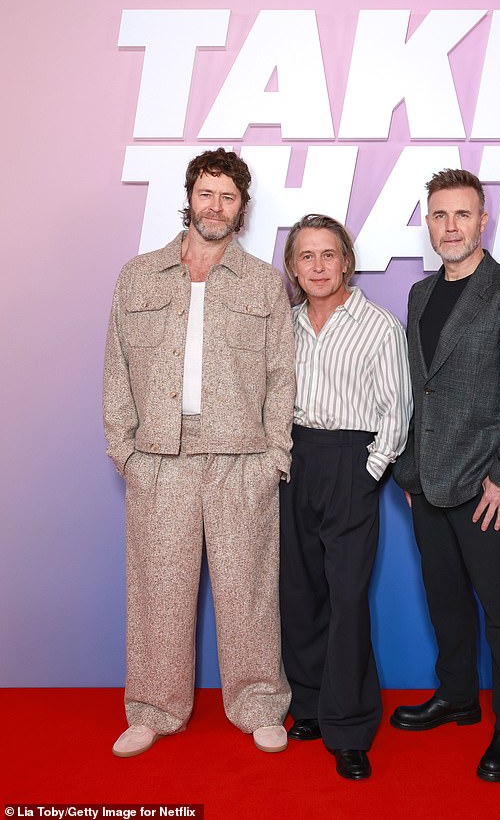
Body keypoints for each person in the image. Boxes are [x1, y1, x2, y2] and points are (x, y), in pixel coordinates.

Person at [103, 148, 295, 757]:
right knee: (158, 593)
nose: (215, 207)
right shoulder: (139, 275)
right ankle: (153, 710)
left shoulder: (263, 282)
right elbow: (116, 369)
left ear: (242, 208)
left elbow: (281, 376)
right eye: (206, 194)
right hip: (160, 456)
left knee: (248, 592)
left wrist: (275, 456)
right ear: (189, 198)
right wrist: (125, 453)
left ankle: (259, 704)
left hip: (242, 459)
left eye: (228, 197)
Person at [391, 168, 500, 782]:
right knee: (445, 600)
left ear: (483, 221)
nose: (450, 226)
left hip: (487, 488)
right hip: (427, 482)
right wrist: (410, 473)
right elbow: (418, 390)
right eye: (439, 215)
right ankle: (457, 697)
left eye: (462, 214)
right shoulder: (420, 295)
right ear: (429, 224)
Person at [280, 214, 412, 780]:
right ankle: (310, 705)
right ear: (293, 268)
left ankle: (351, 728)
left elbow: (397, 407)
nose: (318, 266)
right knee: (299, 592)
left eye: (328, 255)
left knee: (348, 597)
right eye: (306, 256)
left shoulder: (379, 325)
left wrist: (370, 471)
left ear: (347, 262)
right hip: (293, 459)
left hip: (350, 462)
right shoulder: (283, 325)